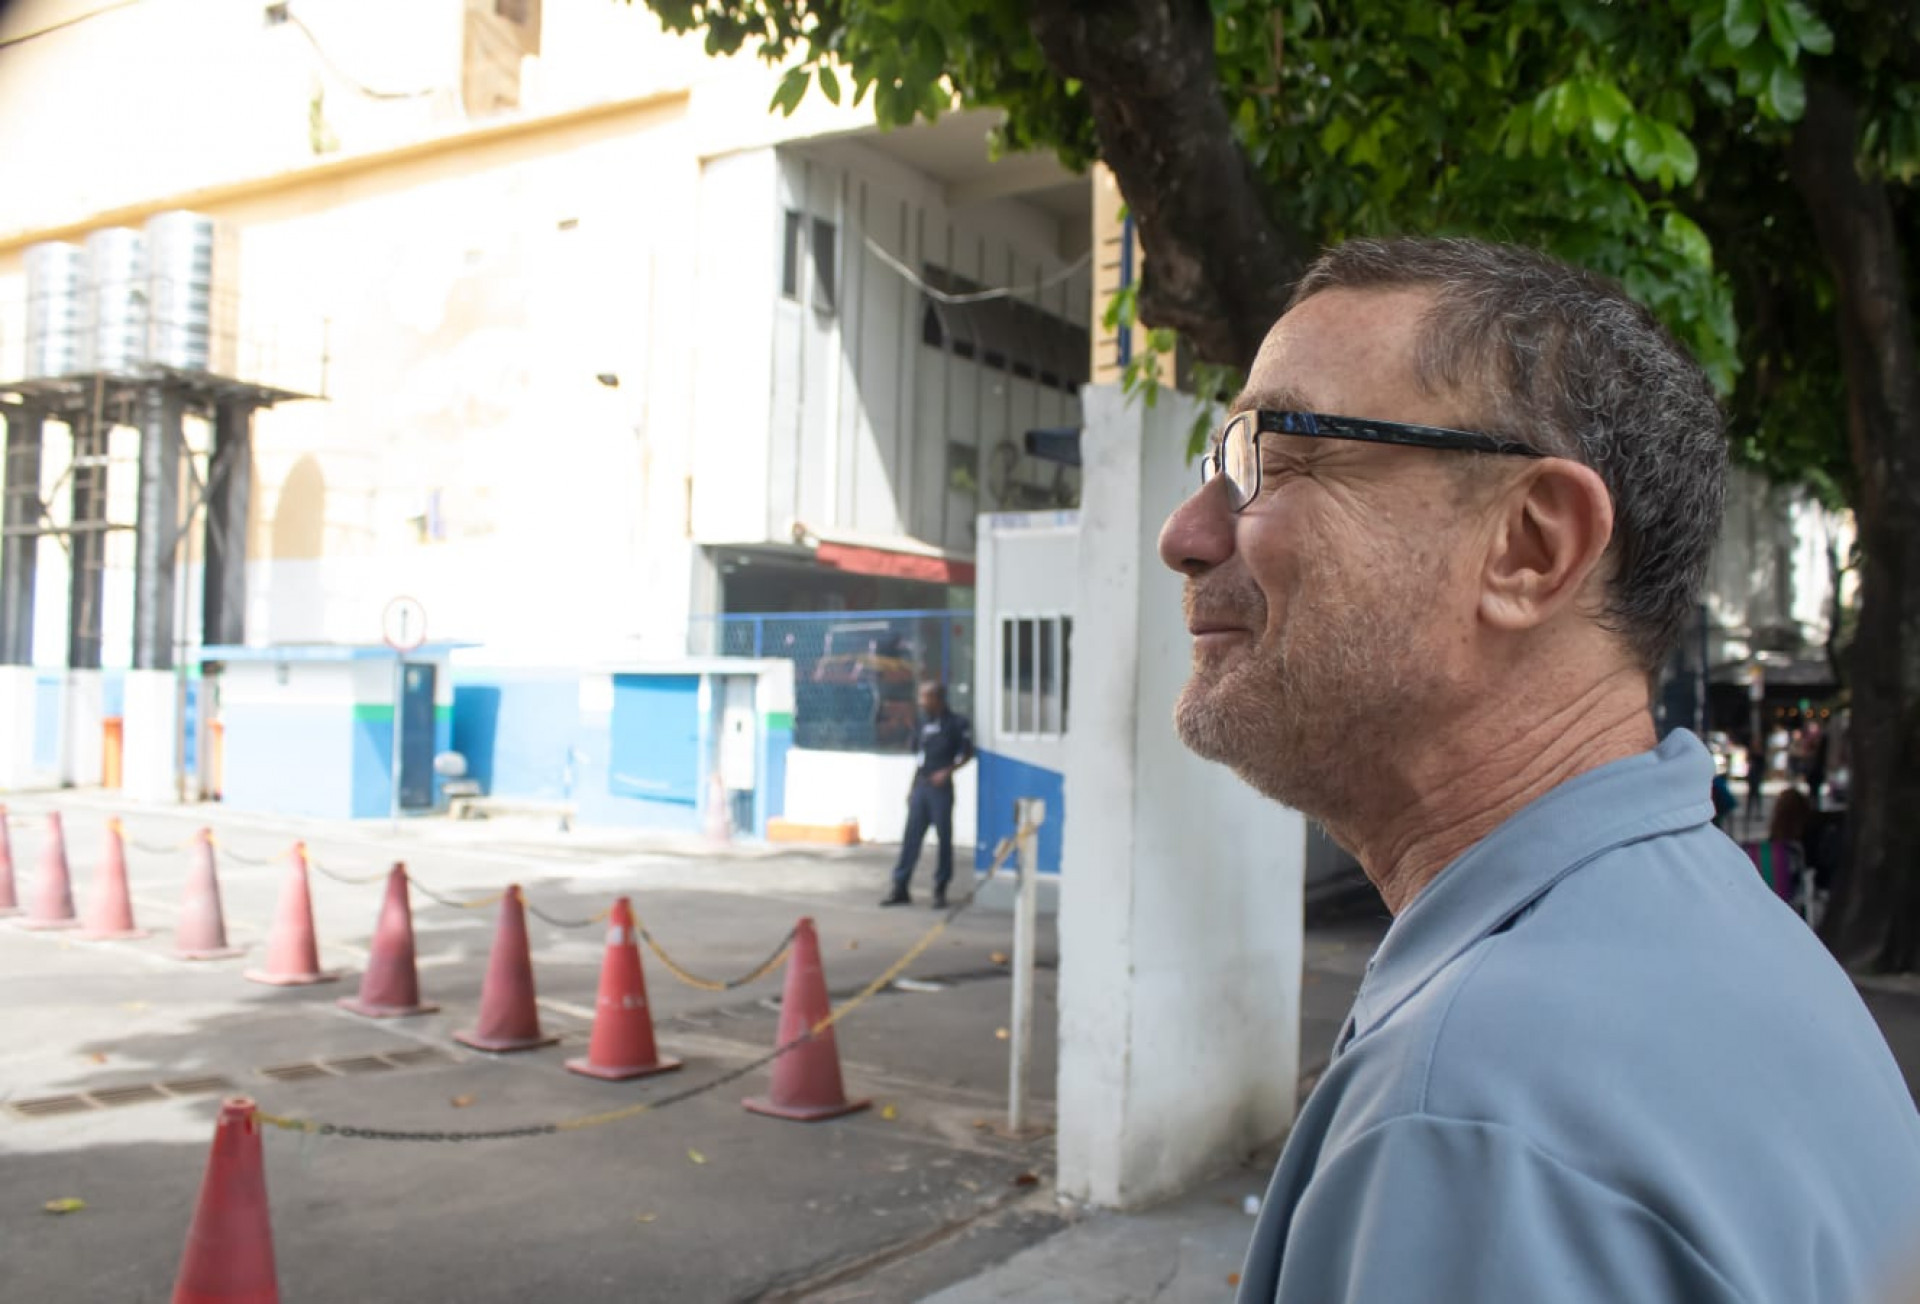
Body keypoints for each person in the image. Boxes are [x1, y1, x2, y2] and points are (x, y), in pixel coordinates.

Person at [1156, 237, 1920, 1303]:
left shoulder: (1472, 1107)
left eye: (1271, 455)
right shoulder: (1736, 947)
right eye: (1215, 464)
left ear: (1529, 547)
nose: (1187, 534)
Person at [880, 681, 973, 909]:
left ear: (937, 698)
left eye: (925, 697)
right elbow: (919, 758)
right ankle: (900, 887)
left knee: (944, 840)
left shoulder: (957, 723)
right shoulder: (922, 724)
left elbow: (967, 753)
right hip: (922, 787)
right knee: (911, 837)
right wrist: (912, 789)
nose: (921, 702)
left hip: (941, 789)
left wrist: (947, 771)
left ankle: (940, 889)